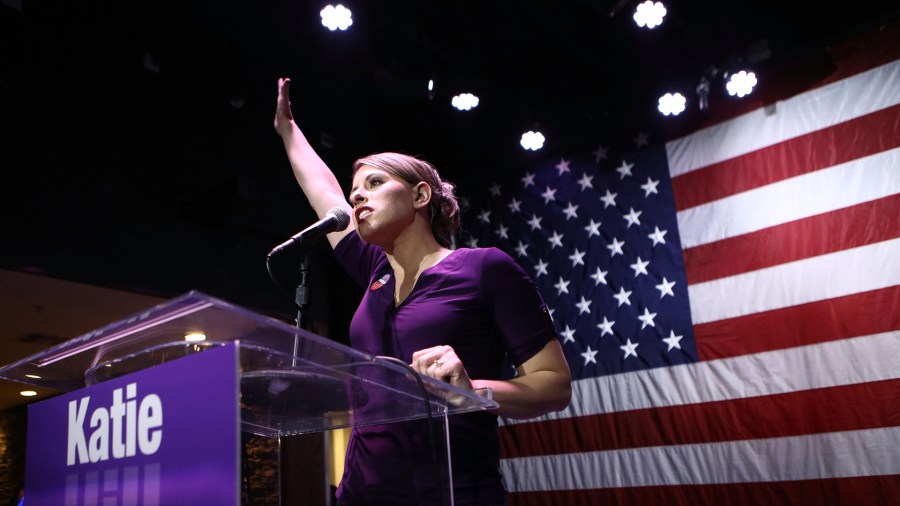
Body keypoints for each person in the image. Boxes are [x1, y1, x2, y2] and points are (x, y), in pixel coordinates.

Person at [274, 77, 572, 505]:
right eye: (356, 191)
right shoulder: (374, 270)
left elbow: (556, 386)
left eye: (374, 184)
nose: (357, 197)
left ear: (419, 195)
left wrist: (472, 390)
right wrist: (288, 130)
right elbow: (324, 192)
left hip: (451, 491)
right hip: (361, 494)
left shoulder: (484, 268)